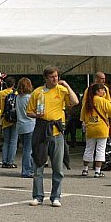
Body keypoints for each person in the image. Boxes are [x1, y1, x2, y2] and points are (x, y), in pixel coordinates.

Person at [27, 66, 79, 207]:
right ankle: (38, 196)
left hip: (56, 132)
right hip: (42, 129)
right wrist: (36, 115)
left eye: (56, 76)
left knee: (58, 168)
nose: (55, 79)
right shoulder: (38, 92)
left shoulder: (61, 90)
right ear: (46, 78)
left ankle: (56, 196)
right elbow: (29, 112)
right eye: (52, 77)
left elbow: (75, 102)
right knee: (38, 165)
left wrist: (66, 85)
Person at [81, 83, 111, 177]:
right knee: (100, 149)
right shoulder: (103, 101)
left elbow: (83, 117)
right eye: (102, 90)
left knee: (88, 149)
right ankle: (97, 171)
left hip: (90, 128)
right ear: (97, 91)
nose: (104, 92)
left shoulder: (87, 102)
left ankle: (85, 169)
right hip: (102, 128)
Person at [15, 77, 36, 178]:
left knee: (25, 149)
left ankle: (27, 168)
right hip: (30, 125)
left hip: (20, 125)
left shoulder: (18, 97)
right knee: (29, 150)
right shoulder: (29, 97)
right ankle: (27, 170)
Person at [0, 76, 18, 168]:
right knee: (13, 141)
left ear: (5, 84)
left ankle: (4, 161)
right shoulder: (17, 93)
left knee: (6, 141)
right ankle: (10, 161)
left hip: (5, 119)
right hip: (14, 120)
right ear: (14, 84)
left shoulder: (1, 93)